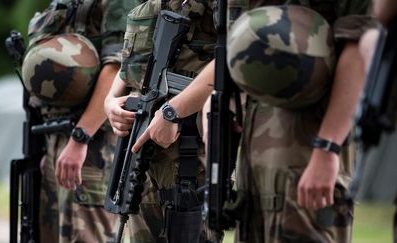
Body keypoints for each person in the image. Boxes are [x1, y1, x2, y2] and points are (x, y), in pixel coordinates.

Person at [132, 1, 375, 242]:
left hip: (310, 134)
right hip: (256, 137)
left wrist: (328, 146)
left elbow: (361, 45)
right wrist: (221, 98)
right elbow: (240, 44)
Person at [21, 0, 141, 242]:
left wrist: (80, 137)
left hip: (93, 143)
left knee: (85, 236)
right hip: (59, 135)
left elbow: (118, 67)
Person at [104, 0, 217, 242]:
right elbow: (131, 66)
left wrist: (171, 112)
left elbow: (231, 60)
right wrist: (111, 100)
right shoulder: (154, 3)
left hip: (189, 162)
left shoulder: (219, 6)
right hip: (142, 161)